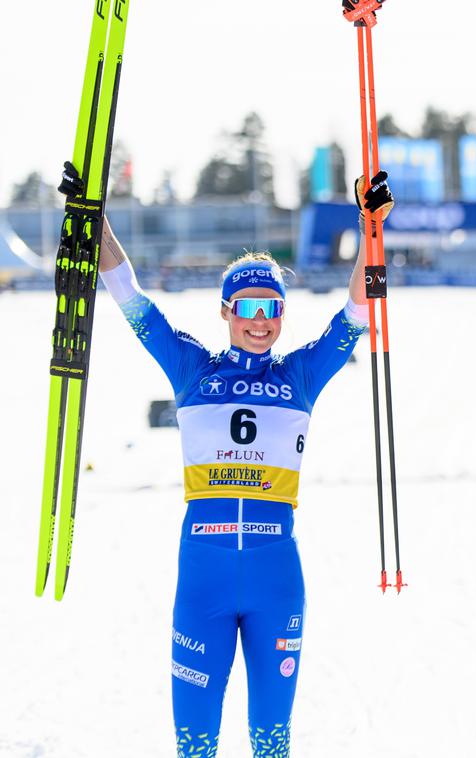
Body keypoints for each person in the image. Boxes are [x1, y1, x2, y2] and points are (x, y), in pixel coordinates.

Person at [58, 162, 393, 757]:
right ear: (225, 310)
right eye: (248, 307)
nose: (260, 322)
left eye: (272, 309)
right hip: (203, 577)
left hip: (275, 577)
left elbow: (358, 313)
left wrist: (371, 233)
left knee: (271, 742)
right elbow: (129, 296)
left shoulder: (300, 377)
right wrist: (94, 219)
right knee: (195, 744)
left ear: (283, 315)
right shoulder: (192, 370)